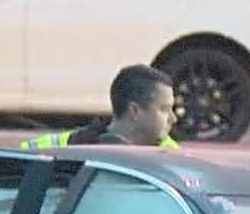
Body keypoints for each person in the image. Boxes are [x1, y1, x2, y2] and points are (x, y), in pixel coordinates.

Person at [19, 64, 182, 150]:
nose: (173, 119)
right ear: (135, 111)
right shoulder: (66, 147)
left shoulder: (172, 157)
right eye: (165, 109)